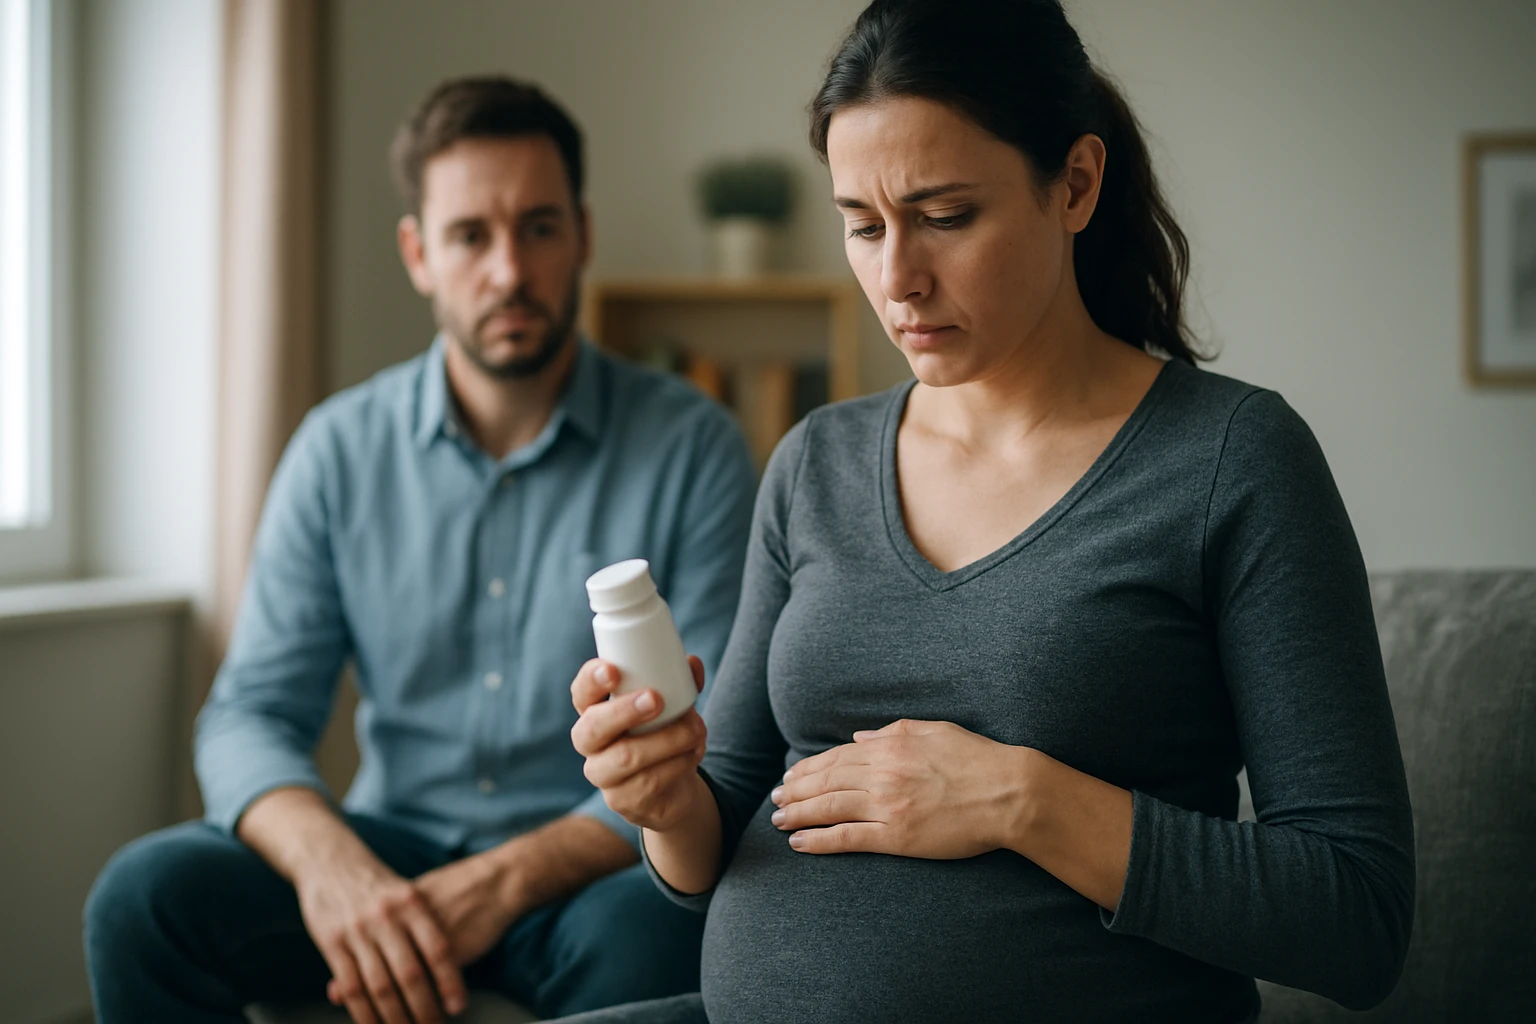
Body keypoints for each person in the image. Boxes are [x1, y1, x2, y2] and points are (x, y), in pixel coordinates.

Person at [563, 1, 1416, 1021]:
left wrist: (1018, 798)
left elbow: (1358, 916)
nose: (897, 278)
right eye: (863, 225)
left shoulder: (1234, 462)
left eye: (945, 216)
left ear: (1077, 184)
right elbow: (715, 834)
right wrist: (662, 802)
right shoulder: (815, 462)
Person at [84, 76, 757, 1024]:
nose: (508, 271)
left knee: (672, 937)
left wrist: (501, 882)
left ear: (584, 236)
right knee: (141, 899)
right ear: (418, 254)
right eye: (470, 236)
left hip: (590, 869)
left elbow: (716, 736)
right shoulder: (336, 450)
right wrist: (335, 872)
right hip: (386, 850)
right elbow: (248, 717)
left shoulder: (696, 447)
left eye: (539, 227)